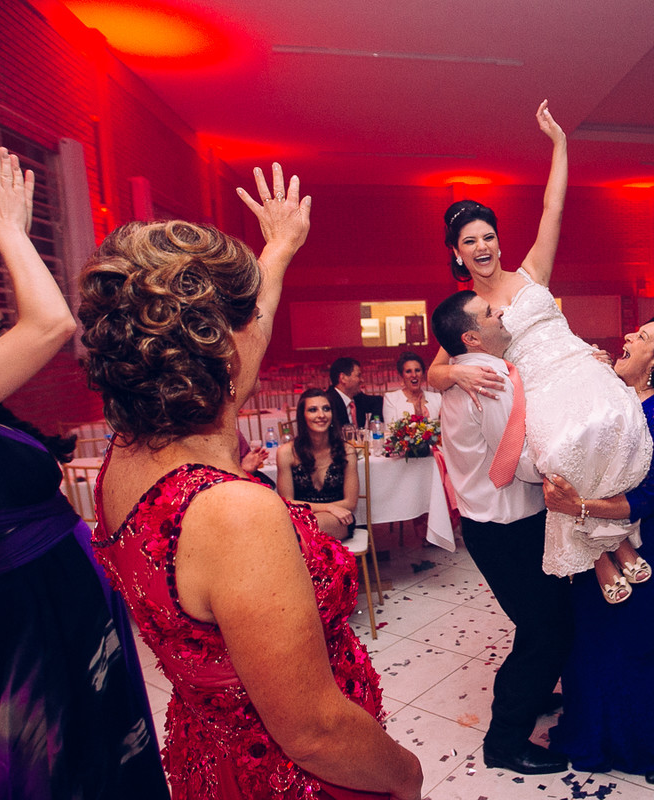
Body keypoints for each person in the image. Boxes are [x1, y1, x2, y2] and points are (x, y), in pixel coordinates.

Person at [81, 164, 422, 799]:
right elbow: (315, 732)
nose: (258, 327)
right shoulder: (231, 512)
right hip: (293, 777)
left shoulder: (120, 461)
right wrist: (408, 776)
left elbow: (243, 335)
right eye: (248, 320)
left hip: (210, 751)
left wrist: (280, 247)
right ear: (223, 351)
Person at [0, 145, 169, 797]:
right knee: (58, 765)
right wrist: (7, 226)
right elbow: (50, 325)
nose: (3, 333)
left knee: (101, 747)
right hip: (18, 619)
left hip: (58, 594)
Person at [428, 101, 654, 604]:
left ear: (498, 242)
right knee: (560, 455)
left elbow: (554, 208)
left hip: (577, 364)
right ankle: (602, 554)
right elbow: (433, 373)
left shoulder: (532, 273)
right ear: (457, 253)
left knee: (611, 426)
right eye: (470, 241)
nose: (483, 246)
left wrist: (560, 144)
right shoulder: (467, 312)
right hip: (536, 391)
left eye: (489, 236)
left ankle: (613, 537)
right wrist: (458, 375)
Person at [543, 312, 654, 784]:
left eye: (644, 336)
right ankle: (594, 738)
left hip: (645, 542)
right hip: (592, 542)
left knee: (626, 650)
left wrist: (579, 506)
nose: (630, 335)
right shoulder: (616, 397)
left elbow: (647, 499)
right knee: (590, 642)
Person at [431, 290, 572, 775]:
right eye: (490, 313)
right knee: (547, 630)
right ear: (472, 337)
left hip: (495, 522)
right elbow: (520, 463)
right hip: (506, 526)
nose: (501, 314)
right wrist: (570, 460)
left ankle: (532, 692)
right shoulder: (489, 380)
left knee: (541, 622)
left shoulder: (477, 370)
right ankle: (505, 741)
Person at [277, 388, 360, 541]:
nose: (321, 415)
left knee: (306, 528)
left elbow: (350, 502)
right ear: (302, 416)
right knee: (295, 528)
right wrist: (328, 507)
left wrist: (329, 511)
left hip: (338, 520)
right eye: (313, 410)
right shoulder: (286, 452)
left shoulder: (347, 451)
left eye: (326, 409)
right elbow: (287, 502)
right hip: (301, 519)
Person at [382, 351, 441, 425]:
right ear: (402, 376)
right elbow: (390, 430)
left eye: (417, 370)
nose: (414, 375)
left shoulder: (437, 398)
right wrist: (417, 417)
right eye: (408, 371)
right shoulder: (391, 399)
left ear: (423, 374)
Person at [327, 356, 385, 429]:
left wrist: (374, 425)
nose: (362, 380)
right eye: (358, 375)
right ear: (343, 378)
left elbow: (378, 401)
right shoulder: (328, 402)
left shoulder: (357, 398)